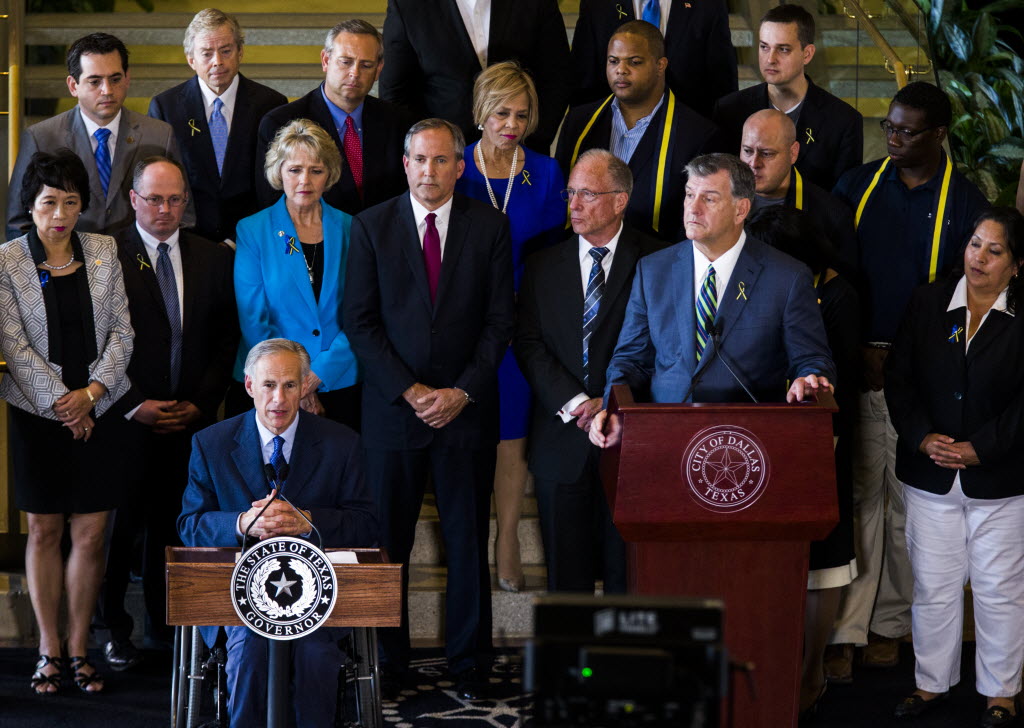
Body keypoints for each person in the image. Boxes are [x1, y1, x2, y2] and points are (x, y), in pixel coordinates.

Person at [343, 118, 514, 700]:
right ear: (405, 163)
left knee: (467, 543)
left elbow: (500, 322)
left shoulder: (489, 226)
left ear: (460, 166)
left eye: (442, 161)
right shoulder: (370, 227)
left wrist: (461, 391)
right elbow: (358, 322)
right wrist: (410, 391)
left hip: (466, 414)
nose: (430, 171)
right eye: (420, 159)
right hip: (394, 415)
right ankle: (386, 665)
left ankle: (469, 666)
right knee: (386, 544)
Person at [826, 81, 989, 680]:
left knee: (904, 506)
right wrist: (858, 348)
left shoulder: (967, 202)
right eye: (889, 127)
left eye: (908, 131)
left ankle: (888, 625)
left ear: (940, 134)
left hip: (922, 377)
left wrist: (902, 359)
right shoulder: (857, 186)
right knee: (858, 496)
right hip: (858, 367)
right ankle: (843, 627)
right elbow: (834, 274)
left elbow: (966, 297)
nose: (893, 139)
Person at [178, 338, 378, 728]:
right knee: (250, 649)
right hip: (237, 598)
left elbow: (367, 524)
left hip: (317, 597)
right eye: (269, 385)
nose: (279, 399)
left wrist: (310, 521)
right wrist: (240, 524)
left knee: (316, 656)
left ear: (306, 387)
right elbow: (190, 525)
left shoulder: (342, 444)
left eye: (290, 385)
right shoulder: (211, 443)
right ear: (249, 386)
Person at [93, 157, 238, 670]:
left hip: (189, 421)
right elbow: (94, 339)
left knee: (177, 529)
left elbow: (226, 340)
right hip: (126, 417)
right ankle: (111, 629)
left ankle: (169, 630)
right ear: (133, 199)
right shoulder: (104, 252)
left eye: (175, 199)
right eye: (154, 199)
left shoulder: (212, 258)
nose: (165, 209)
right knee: (120, 530)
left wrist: (200, 403)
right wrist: (134, 403)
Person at [0, 149, 135, 695]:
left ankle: (80, 648)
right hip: (38, 414)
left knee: (91, 532)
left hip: (99, 409)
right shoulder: (7, 260)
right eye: (49, 203)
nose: (60, 214)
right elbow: (12, 342)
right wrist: (64, 402)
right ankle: (48, 649)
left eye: (71, 202)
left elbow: (123, 333)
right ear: (30, 208)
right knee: (45, 531)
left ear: (83, 206)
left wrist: (92, 395)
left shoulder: (104, 251)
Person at [588, 153, 835, 450]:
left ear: (741, 208)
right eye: (690, 195)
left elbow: (812, 360)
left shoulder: (788, 277)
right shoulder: (653, 270)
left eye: (710, 199)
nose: (693, 208)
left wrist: (809, 380)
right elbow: (630, 360)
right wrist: (612, 407)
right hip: (663, 437)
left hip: (748, 444)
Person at [884, 208, 1024, 726]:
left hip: (1001, 477)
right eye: (973, 245)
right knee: (933, 586)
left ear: (1016, 265)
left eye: (994, 250)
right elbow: (899, 378)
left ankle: (1001, 694)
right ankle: (930, 684)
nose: (979, 258)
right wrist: (922, 438)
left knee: (998, 588)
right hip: (930, 472)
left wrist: (979, 448)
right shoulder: (928, 300)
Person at [514, 149, 664, 593]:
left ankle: (623, 662)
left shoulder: (658, 260)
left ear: (620, 200)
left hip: (630, 437)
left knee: (628, 574)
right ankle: (569, 665)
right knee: (566, 577)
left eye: (587, 195)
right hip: (561, 439)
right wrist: (579, 403)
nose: (574, 205)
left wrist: (613, 401)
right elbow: (529, 343)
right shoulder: (542, 262)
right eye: (571, 193)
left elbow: (664, 346)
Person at [454, 60, 565, 593]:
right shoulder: (457, 167)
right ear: (480, 111)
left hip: (523, 320)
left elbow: (551, 254)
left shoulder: (545, 173)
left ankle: (507, 540)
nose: (511, 125)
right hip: (465, 320)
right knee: (468, 432)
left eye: (522, 115)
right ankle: (470, 540)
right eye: (501, 112)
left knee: (513, 436)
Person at [746, 205, 859, 717]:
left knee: (823, 566)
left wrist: (818, 443)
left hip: (819, 445)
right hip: (768, 442)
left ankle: (811, 671)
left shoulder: (837, 295)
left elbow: (840, 383)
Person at [232, 119, 360, 430]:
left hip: (338, 378)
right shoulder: (253, 230)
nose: (305, 180)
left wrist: (316, 377)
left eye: (316, 170)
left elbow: (361, 314)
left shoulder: (352, 228)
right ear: (279, 172)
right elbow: (254, 321)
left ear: (329, 174)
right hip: (270, 386)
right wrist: (293, 385)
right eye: (294, 170)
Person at [7, 33, 190, 238]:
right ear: (73, 86)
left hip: (139, 265)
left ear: (127, 78)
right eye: (95, 81)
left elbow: (182, 212)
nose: (107, 90)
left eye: (115, 79)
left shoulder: (158, 134)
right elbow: (19, 223)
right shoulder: (41, 138)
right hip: (66, 264)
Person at [555, 20, 720, 243]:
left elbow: (697, 218)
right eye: (613, 61)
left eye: (634, 62)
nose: (620, 70)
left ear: (660, 65)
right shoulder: (579, 122)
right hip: (584, 255)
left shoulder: (697, 134)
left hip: (658, 259)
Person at [149, 8, 288, 245]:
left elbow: (277, 183)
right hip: (187, 241)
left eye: (226, 51)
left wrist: (239, 239)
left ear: (240, 51)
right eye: (207, 53)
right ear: (191, 59)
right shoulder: (166, 107)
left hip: (253, 239)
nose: (218, 62)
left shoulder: (271, 105)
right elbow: (157, 182)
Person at [257, 19, 412, 216]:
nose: (354, 73)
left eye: (366, 65)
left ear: (378, 70)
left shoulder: (398, 122)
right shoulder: (280, 123)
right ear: (325, 60)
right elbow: (271, 206)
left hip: (381, 241)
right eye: (346, 62)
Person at [379, 0, 572, 153]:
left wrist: (529, 141)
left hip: (522, 154)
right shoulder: (407, 5)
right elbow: (395, 94)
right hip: (444, 161)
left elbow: (557, 79)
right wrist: (425, 152)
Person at [712, 4, 862, 191]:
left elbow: (843, 201)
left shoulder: (843, 121)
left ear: (807, 54)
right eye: (764, 47)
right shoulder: (730, 110)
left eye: (783, 49)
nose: (770, 59)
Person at [570, 0, 738, 118]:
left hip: (687, 141)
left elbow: (722, 84)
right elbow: (584, 82)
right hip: (613, 136)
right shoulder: (597, 4)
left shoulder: (708, 4)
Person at [740, 109, 857, 274]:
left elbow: (840, 289)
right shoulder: (719, 201)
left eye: (766, 154)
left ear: (793, 153)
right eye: (747, 151)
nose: (753, 163)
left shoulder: (832, 215)